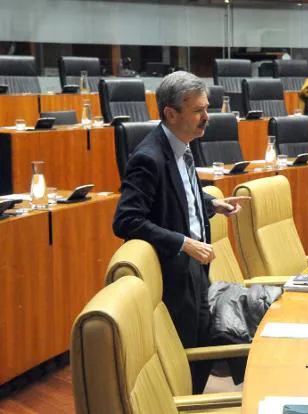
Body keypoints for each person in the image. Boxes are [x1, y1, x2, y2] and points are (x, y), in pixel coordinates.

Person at [112, 71, 248, 394]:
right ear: (171, 114)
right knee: (187, 359)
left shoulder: (183, 144)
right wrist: (184, 243)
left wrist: (213, 205)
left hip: (197, 269)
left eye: (207, 108)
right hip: (174, 277)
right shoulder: (148, 158)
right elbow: (126, 220)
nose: (207, 117)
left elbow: (184, 193)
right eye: (198, 110)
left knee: (209, 341)